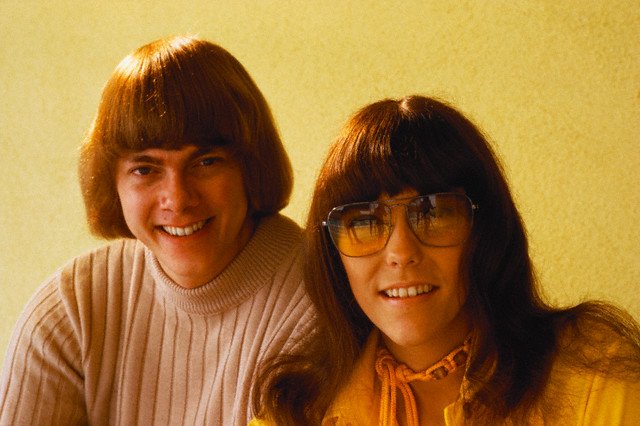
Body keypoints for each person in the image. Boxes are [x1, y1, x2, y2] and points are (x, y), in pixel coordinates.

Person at [251, 95, 640, 425]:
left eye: (434, 213)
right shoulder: (292, 412)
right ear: (332, 252)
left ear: (484, 229)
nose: (401, 252)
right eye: (366, 221)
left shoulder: (593, 372)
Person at [0, 35, 315, 425]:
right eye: (145, 169)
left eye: (206, 162)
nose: (178, 199)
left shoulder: (320, 300)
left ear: (251, 166)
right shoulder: (72, 310)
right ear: (112, 183)